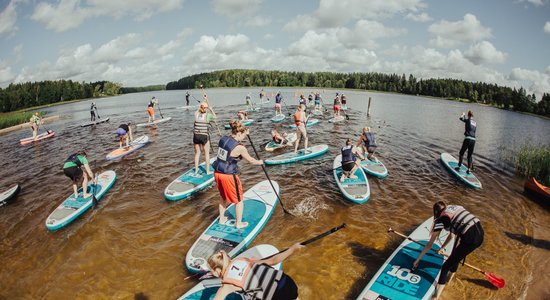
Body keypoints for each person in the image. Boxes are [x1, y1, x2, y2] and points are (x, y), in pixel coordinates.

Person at [413, 201, 484, 300]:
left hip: (470, 238)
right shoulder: (452, 208)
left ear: (436, 212)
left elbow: (429, 244)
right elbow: (452, 236)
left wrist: (418, 260)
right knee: (456, 257)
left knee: (445, 267)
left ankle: (437, 297)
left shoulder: (442, 219)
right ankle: (449, 282)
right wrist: (442, 248)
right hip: (479, 232)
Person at [212, 121, 263, 229]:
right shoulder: (240, 148)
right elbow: (250, 160)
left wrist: (246, 132)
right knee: (239, 200)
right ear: (239, 133)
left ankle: (221, 219)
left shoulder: (223, 139)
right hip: (228, 175)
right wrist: (260, 162)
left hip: (217, 173)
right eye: (243, 136)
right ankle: (238, 224)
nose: (244, 138)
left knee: (223, 197)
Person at [207, 243, 303, 300]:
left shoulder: (227, 285)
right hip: (287, 283)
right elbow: (273, 261)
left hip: (277, 295)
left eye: (212, 270)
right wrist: (292, 249)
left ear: (218, 270)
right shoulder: (242, 260)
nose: (211, 273)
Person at [194, 102, 216, 175]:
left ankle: (196, 170)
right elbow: (215, 117)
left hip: (196, 136)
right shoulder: (208, 115)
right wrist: (211, 109)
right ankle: (207, 171)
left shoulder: (196, 114)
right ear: (206, 108)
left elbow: (199, 108)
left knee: (197, 153)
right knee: (206, 154)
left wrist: (204, 100)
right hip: (204, 136)